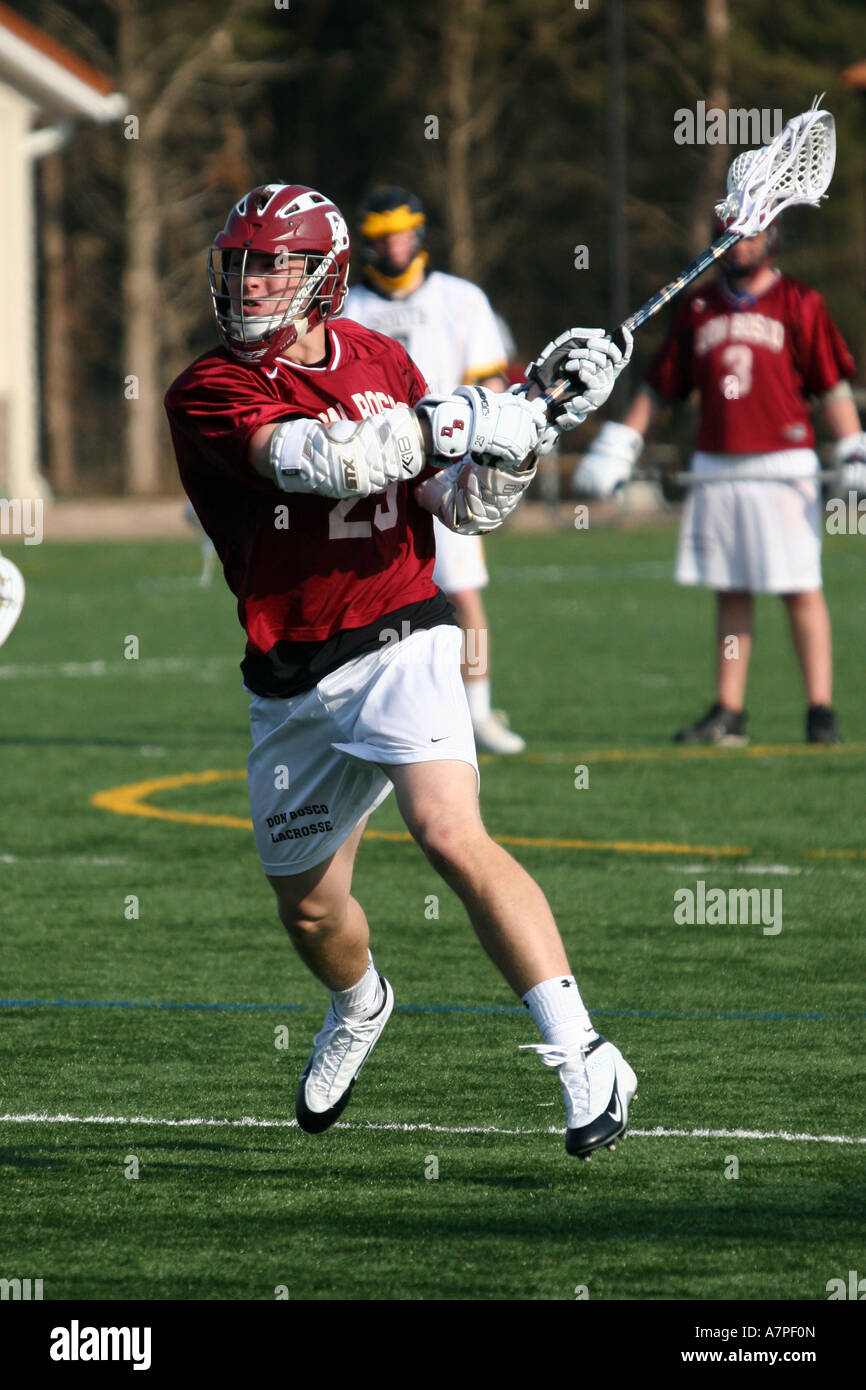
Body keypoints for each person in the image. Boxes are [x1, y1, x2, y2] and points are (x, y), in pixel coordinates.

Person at [164, 182, 635, 1158]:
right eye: (242, 264)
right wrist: (470, 417)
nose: (249, 282)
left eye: (272, 264)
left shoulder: (382, 357)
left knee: (449, 834)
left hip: (404, 633)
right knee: (308, 903)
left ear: (322, 275)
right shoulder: (207, 391)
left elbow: (459, 507)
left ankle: (581, 1051)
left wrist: (513, 444)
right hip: (291, 674)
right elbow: (320, 461)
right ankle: (359, 1000)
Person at [577, 215, 866, 745]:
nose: (740, 246)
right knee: (730, 590)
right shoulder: (698, 306)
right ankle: (729, 712)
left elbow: (830, 384)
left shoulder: (801, 301)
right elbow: (663, 385)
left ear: (772, 238)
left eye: (751, 234)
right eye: (730, 235)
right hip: (716, 462)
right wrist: (621, 444)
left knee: (800, 588)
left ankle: (820, 710)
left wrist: (853, 448)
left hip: (784, 463)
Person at [344, 186, 525, 755]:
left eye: (401, 233)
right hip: (371, 472)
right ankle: (361, 704)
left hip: (446, 468)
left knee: (463, 592)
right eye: (381, 236)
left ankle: (478, 709)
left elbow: (493, 382)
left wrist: (473, 431)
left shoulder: (461, 298)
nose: (394, 245)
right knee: (366, 589)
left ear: (419, 234)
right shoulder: (350, 307)